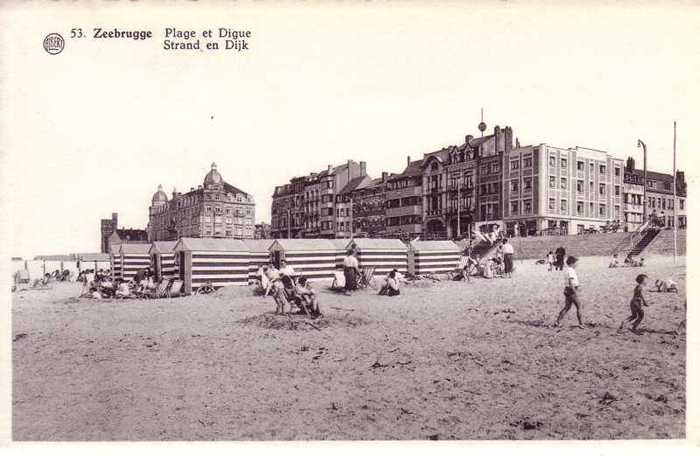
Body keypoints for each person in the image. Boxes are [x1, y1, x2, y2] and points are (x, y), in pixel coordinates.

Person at [554, 256, 584, 329]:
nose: (576, 264)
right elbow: (571, 282)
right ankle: (581, 324)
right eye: (575, 263)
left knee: (567, 307)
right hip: (571, 290)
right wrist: (575, 291)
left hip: (567, 290)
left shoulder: (567, 270)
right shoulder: (571, 271)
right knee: (579, 306)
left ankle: (557, 322)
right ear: (571, 263)